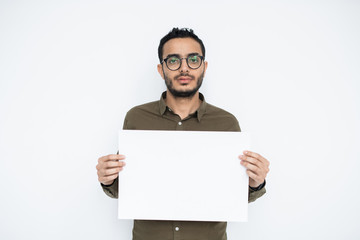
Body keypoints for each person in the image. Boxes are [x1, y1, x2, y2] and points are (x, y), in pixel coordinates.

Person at [96, 27, 270, 240]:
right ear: (161, 69)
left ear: (204, 67)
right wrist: (108, 179)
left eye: (193, 59)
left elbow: (234, 196)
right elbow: (126, 190)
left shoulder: (226, 123)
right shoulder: (136, 118)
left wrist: (256, 182)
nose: (184, 69)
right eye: (173, 61)